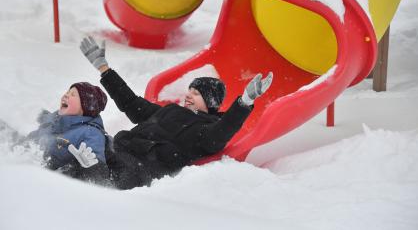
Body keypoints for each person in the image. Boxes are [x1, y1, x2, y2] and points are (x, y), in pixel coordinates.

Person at [79, 36, 273, 190]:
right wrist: (104, 69)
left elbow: (223, 131)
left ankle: (90, 173)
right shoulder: (169, 111)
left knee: (101, 173)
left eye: (196, 93)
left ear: (210, 101)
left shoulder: (204, 131)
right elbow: (131, 102)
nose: (188, 95)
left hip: (140, 168)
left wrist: (245, 101)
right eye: (189, 90)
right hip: (118, 148)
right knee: (85, 139)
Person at [26, 82, 109, 184]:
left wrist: (89, 168)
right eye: (67, 92)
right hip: (23, 153)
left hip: (47, 179)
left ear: (85, 107)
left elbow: (99, 178)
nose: (66, 95)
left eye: (73, 95)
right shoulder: (55, 118)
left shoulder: (91, 133)